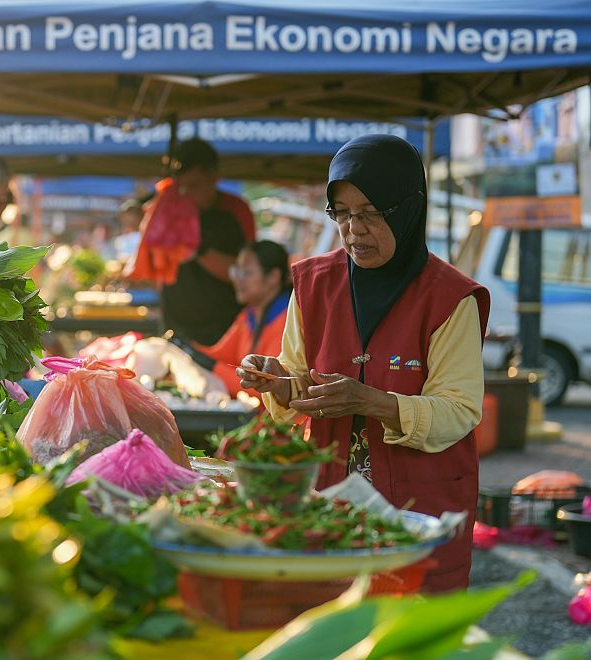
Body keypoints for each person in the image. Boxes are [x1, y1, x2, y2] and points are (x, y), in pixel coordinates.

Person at [238, 134, 489, 593]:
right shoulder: (313, 284)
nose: (355, 229)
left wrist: (373, 402)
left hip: (420, 509)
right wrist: (276, 383)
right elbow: (297, 381)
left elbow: (459, 409)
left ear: (408, 209)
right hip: (332, 503)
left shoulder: (450, 298)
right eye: (344, 213)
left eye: (372, 213)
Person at [137, 137, 256, 345]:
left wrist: (199, 249)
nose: (185, 194)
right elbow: (151, 270)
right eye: (180, 187)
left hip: (224, 333)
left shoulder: (235, 210)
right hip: (175, 329)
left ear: (214, 177)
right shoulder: (171, 209)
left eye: (193, 186)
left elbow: (247, 275)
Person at [197, 240, 291, 396]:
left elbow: (266, 389)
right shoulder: (249, 315)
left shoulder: (287, 321)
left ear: (273, 276)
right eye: (236, 271)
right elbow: (220, 355)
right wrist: (182, 346)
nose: (237, 279)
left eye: (246, 273)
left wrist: (210, 365)